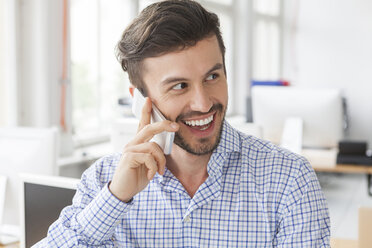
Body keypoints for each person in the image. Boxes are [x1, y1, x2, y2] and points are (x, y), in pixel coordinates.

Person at [37, 0, 330, 247]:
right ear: (141, 100)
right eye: (179, 86)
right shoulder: (103, 181)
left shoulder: (290, 180)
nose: (203, 103)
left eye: (212, 77)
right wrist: (116, 197)